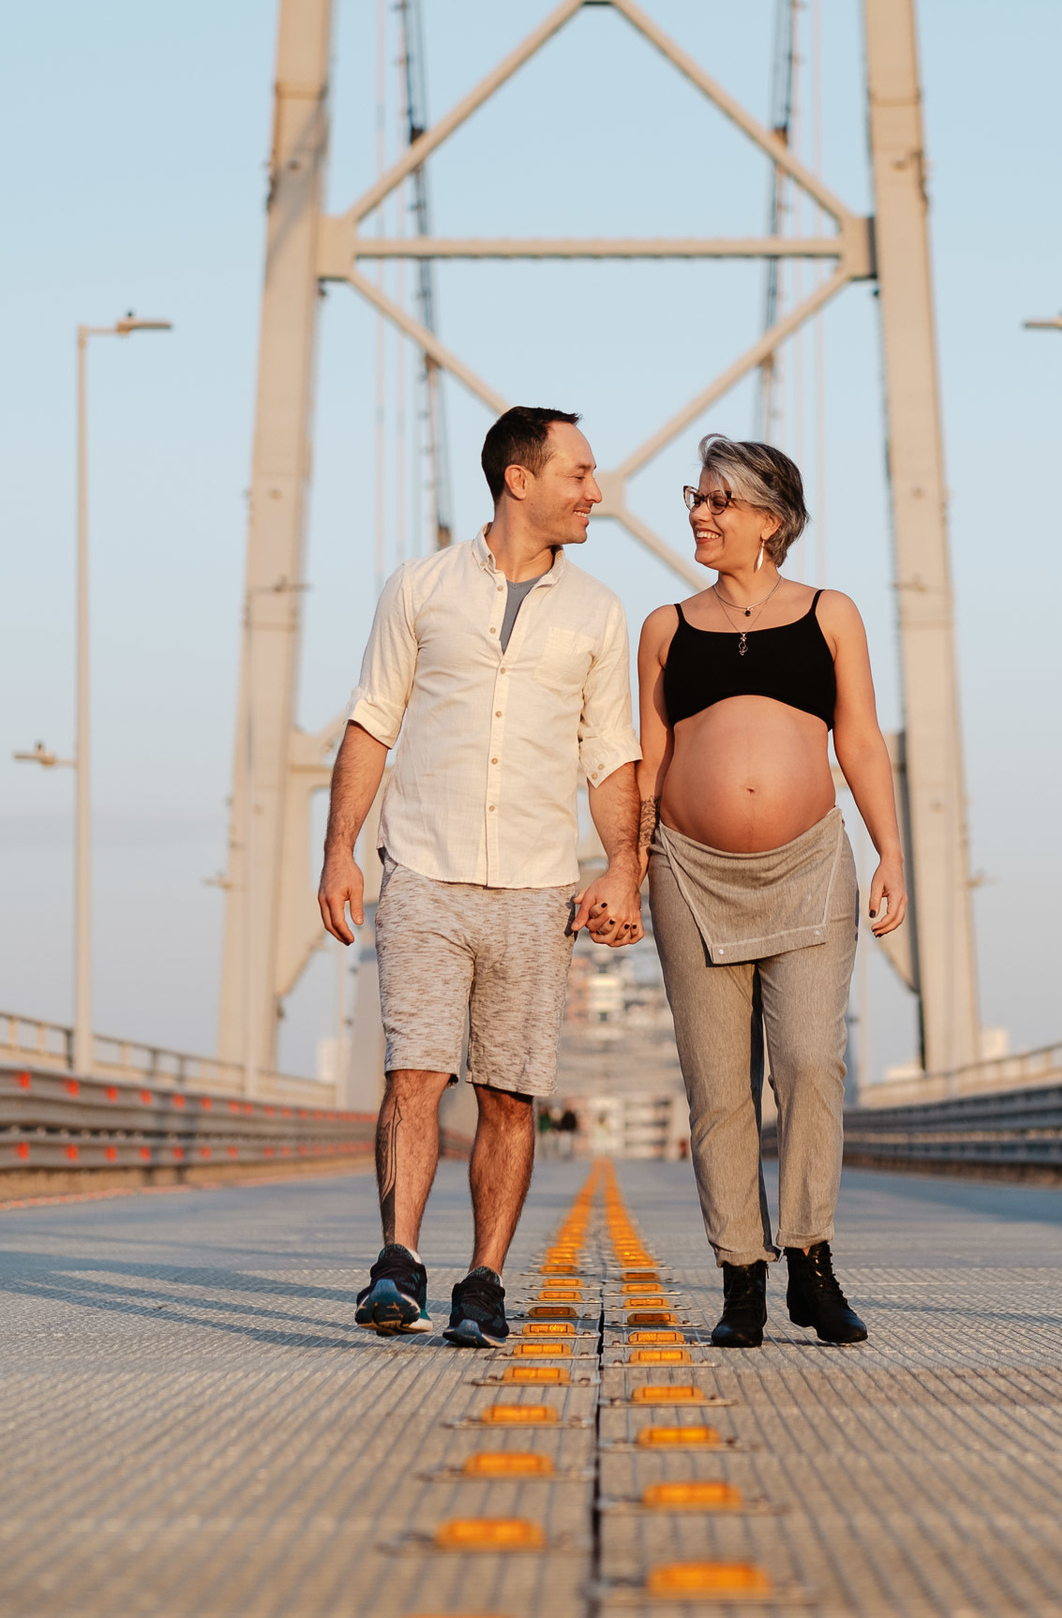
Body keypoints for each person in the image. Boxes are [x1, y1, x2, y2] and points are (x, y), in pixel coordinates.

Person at [319, 407, 642, 1348]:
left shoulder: (599, 612)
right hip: (421, 870)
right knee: (413, 1073)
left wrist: (622, 866)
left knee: (508, 1093)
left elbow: (611, 754)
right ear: (519, 480)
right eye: (579, 474)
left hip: (540, 887)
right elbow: (372, 720)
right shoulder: (418, 588)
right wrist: (339, 848)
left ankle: (485, 1281)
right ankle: (397, 1264)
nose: (595, 493)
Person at [636, 434, 907, 1349]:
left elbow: (861, 740)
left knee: (808, 1065)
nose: (699, 514)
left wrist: (892, 852)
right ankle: (740, 1279)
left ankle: (812, 1263)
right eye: (696, 497)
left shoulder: (832, 613)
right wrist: (625, 866)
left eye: (718, 499)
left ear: (771, 518)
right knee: (718, 1088)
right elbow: (651, 758)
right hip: (690, 871)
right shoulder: (665, 627)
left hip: (809, 865)